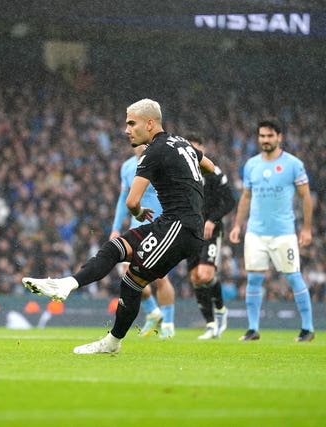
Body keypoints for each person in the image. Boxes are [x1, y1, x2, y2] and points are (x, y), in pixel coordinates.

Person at [23, 98, 214, 354]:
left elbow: (132, 201)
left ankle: (113, 342)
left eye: (131, 123)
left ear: (149, 123)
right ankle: (67, 284)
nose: (126, 130)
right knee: (114, 248)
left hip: (179, 228)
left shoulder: (153, 151)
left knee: (132, 282)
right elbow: (210, 167)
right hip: (173, 223)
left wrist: (138, 211)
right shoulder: (182, 143)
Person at [229, 120, 315, 342]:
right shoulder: (251, 165)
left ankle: (307, 328)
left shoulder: (293, 164)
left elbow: (306, 196)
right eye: (262, 136)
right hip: (256, 232)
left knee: (294, 277)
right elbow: (246, 197)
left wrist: (306, 228)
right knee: (254, 280)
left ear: (279, 137)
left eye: (269, 136)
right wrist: (238, 225)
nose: (265, 140)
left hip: (284, 233)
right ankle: (253, 328)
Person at [110, 145, 176, 339]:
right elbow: (124, 198)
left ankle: (169, 325)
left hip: (161, 227)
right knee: (127, 274)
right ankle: (154, 312)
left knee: (160, 277)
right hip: (136, 229)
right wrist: (115, 228)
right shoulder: (127, 167)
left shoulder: (162, 164)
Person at [186, 135, 235, 339]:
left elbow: (230, 201)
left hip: (211, 230)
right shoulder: (182, 175)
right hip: (189, 230)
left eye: (196, 149)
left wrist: (212, 220)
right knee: (196, 278)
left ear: (202, 150)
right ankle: (210, 324)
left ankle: (221, 309)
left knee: (205, 274)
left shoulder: (213, 172)